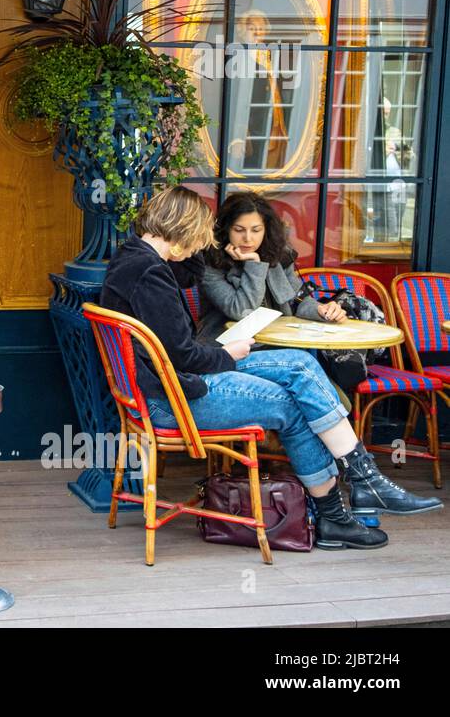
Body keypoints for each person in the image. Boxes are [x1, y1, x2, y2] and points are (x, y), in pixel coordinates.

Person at [100, 185, 442, 552]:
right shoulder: (150, 273)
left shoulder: (136, 258)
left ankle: (361, 481)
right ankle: (337, 513)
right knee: (294, 404)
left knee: (300, 364)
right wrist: (229, 354)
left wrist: (197, 251)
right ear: (182, 229)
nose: (202, 245)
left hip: (170, 385)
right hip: (173, 398)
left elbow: (187, 280)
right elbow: (184, 355)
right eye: (199, 237)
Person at [195, 191, 341, 342]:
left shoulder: (277, 256)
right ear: (226, 230)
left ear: (266, 230)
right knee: (303, 360)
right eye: (238, 230)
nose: (248, 238)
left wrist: (321, 310)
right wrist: (254, 265)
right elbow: (242, 311)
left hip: (277, 341)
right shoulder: (211, 263)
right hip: (227, 349)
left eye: (256, 230)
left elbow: (296, 300)